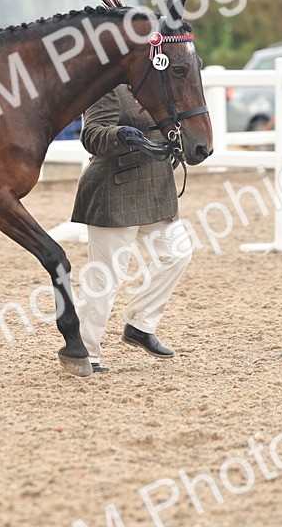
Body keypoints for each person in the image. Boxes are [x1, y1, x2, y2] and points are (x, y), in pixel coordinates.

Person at [70, 84, 195, 373]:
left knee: (178, 252)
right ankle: (83, 351)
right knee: (107, 276)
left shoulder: (160, 86)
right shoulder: (109, 88)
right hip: (115, 191)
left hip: (153, 190)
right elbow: (92, 135)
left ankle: (140, 324)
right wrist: (121, 134)